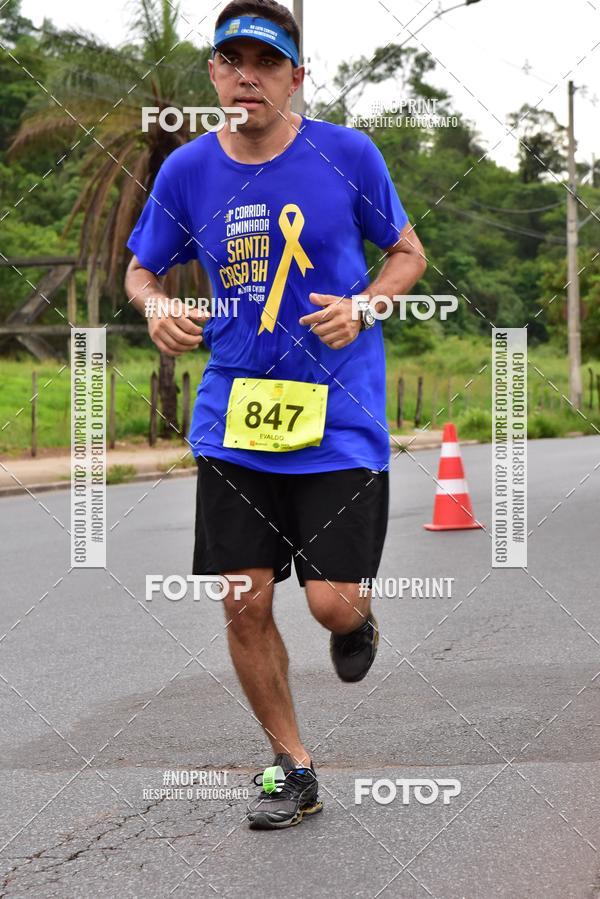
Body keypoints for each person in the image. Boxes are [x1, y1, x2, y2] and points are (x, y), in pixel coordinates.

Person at [125, 0, 426, 830]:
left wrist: (365, 304)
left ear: (296, 76)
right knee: (243, 598)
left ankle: (355, 617)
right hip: (237, 418)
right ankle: (292, 765)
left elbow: (407, 252)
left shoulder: (347, 155)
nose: (247, 75)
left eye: (265, 61)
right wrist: (155, 307)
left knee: (332, 603)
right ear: (216, 75)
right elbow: (142, 270)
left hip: (338, 415)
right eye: (232, 61)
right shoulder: (188, 169)